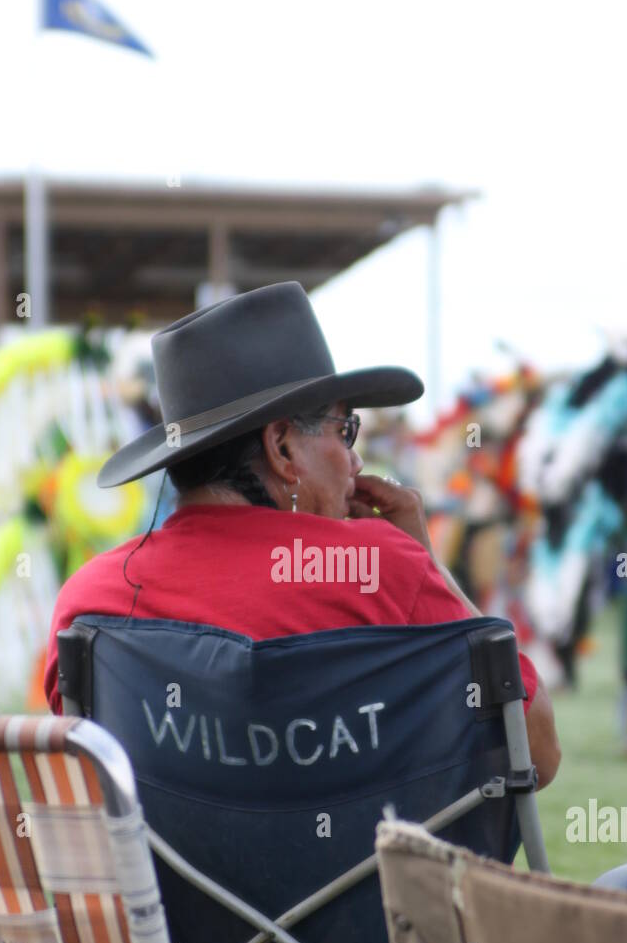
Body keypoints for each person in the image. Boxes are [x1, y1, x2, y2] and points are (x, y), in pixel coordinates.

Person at [44, 282, 560, 788]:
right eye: (345, 431)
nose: (357, 461)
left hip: (160, 876)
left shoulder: (91, 602)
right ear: (282, 448)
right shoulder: (383, 569)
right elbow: (536, 752)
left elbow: (87, 788)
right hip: (370, 873)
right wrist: (429, 569)